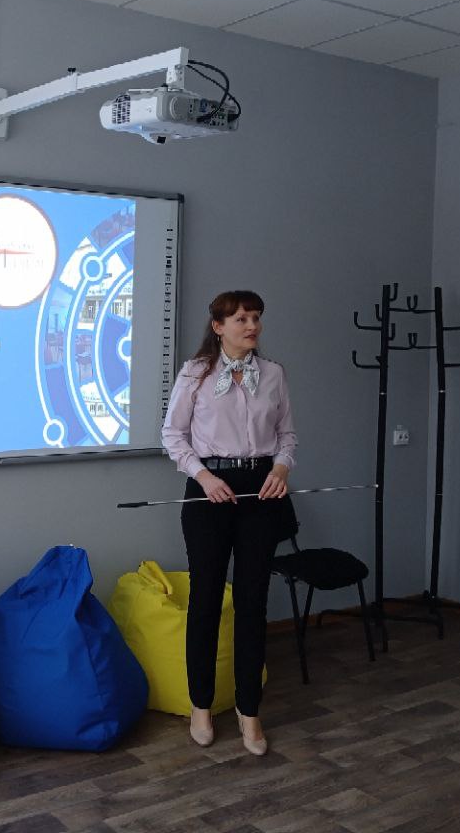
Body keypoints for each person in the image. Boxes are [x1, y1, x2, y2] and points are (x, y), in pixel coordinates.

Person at [160, 290, 297, 756]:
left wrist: (281, 469)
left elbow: (287, 435)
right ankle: (200, 705)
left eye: (256, 317)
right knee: (205, 601)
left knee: (253, 603)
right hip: (209, 490)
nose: (251, 326)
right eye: (241, 318)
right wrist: (203, 477)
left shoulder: (273, 374)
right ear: (218, 326)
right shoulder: (195, 373)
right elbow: (173, 434)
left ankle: (249, 711)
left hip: (261, 491)